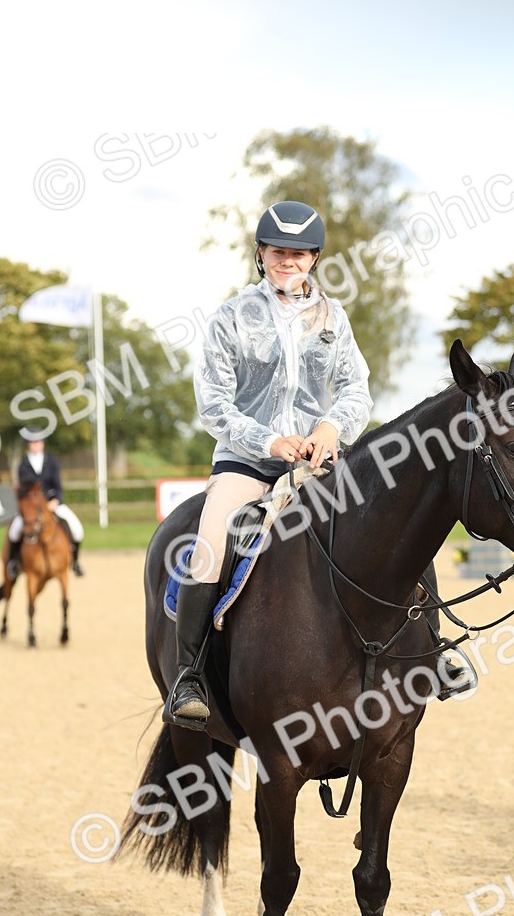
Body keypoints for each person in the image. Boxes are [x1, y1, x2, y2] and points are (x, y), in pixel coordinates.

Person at [165, 200, 474, 731]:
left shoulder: (333, 318)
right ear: (261, 254)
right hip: (247, 463)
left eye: (300, 254)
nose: (289, 261)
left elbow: (356, 388)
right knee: (212, 541)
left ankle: (437, 645)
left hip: (319, 461)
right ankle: (190, 674)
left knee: (398, 521)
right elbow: (213, 403)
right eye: (279, 252)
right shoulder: (231, 318)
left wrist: (331, 428)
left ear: (314, 259)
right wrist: (269, 441)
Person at [7, 433, 85, 578]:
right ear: (28, 445)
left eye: (39, 442)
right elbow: (24, 490)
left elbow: (58, 485)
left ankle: (75, 561)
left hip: (53, 504)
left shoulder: (52, 461)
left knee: (77, 529)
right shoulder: (23, 465)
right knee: (14, 531)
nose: (36, 445)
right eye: (33, 442)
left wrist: (55, 500)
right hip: (32, 509)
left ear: (42, 443)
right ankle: (13, 562)